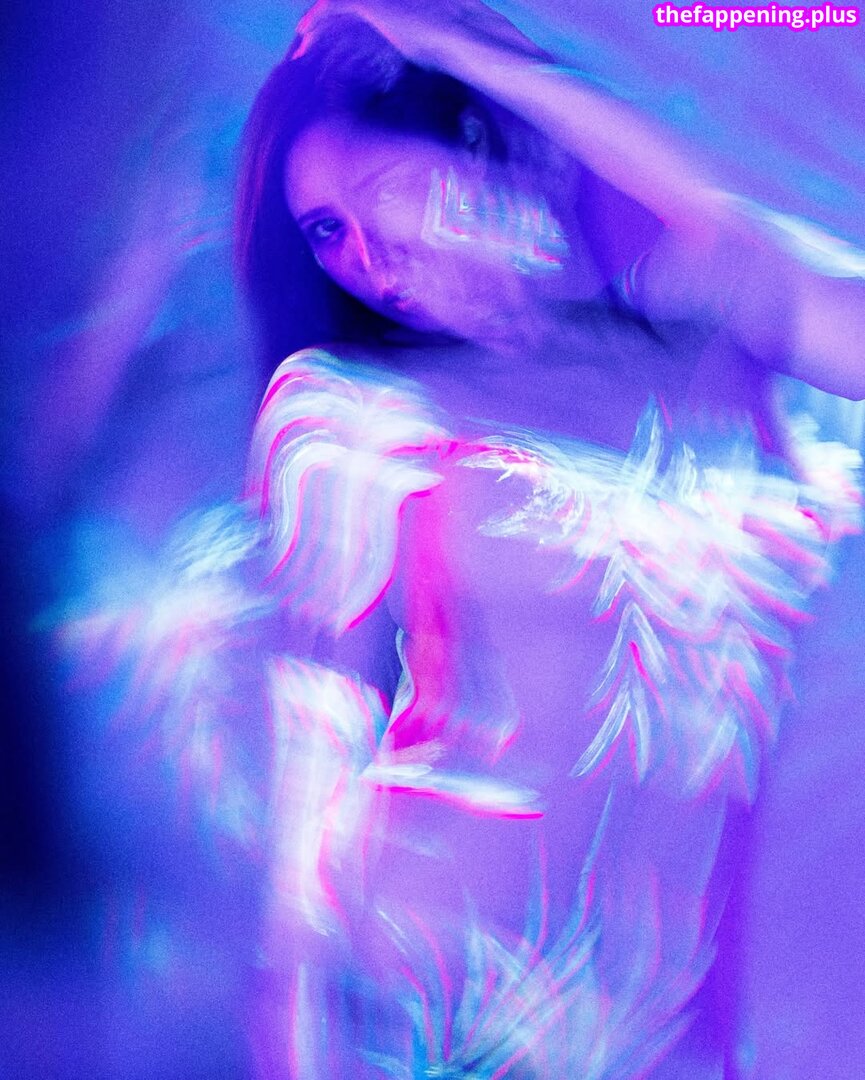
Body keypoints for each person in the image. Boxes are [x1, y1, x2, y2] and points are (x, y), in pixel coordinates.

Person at [231, 3, 864, 1077]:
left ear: (490, 141)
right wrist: (294, 1033)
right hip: (431, 1003)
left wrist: (482, 56)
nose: (370, 256)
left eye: (386, 189)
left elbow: (742, 253)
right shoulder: (350, 415)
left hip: (664, 1025)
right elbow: (314, 748)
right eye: (328, 230)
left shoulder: (708, 347)